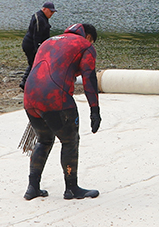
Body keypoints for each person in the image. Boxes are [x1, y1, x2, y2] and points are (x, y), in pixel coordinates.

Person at [22, 23, 102, 201]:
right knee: (70, 140)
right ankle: (72, 188)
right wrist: (94, 109)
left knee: (43, 140)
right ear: (88, 37)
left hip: (30, 96)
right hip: (56, 98)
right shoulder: (85, 45)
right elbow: (89, 77)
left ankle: (32, 187)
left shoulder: (48, 41)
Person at [20, 1, 56, 89]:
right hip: (31, 45)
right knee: (35, 64)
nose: (52, 14)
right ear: (44, 9)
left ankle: (25, 83)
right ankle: (28, 84)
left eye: (53, 12)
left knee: (33, 63)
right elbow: (37, 36)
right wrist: (38, 49)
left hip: (32, 44)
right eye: (50, 11)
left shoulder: (42, 17)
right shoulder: (39, 18)